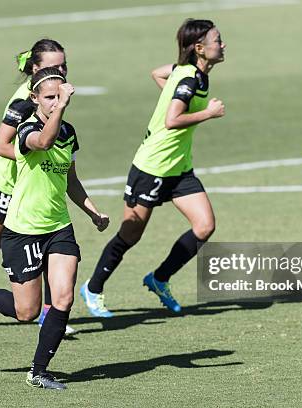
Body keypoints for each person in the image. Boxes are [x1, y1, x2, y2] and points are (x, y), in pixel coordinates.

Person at [0, 67, 109, 389]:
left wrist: (93, 212)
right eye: (49, 97)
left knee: (63, 298)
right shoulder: (27, 131)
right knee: (26, 312)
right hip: (22, 230)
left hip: (59, 227)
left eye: (59, 95)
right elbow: (44, 140)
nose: (55, 102)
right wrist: (62, 106)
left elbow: (70, 179)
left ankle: (39, 371)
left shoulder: (69, 133)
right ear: (34, 98)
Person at [80, 18, 226, 317]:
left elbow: (158, 73)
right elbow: (172, 120)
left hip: (178, 168)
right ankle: (93, 288)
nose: (223, 45)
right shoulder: (188, 79)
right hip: (152, 168)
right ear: (199, 48)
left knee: (205, 226)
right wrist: (209, 113)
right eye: (217, 40)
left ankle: (159, 279)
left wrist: (170, 90)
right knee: (131, 234)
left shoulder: (187, 73)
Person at [0, 38, 75, 334]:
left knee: (47, 241)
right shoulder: (24, 102)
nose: (62, 70)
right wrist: (32, 155)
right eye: (54, 66)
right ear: (35, 68)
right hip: (8, 183)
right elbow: (0, 145)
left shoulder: (54, 94)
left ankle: (47, 311)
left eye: (64, 65)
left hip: (35, 185)